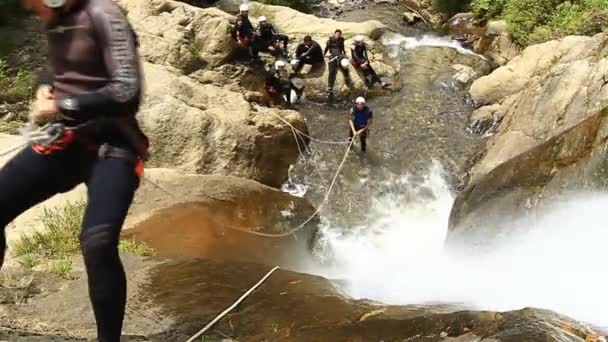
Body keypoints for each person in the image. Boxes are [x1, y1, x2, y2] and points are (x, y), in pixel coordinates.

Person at [1, 1, 150, 341]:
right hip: (62, 144)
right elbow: (59, 69)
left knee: (97, 243)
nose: (32, 9)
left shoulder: (103, 14)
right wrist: (43, 88)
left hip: (111, 148)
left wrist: (62, 105)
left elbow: (128, 91)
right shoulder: (58, 19)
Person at [324, 29, 350, 96]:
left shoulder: (342, 39)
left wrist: (344, 52)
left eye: (339, 34)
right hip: (333, 56)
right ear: (334, 34)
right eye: (336, 34)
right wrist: (324, 54)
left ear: (340, 35)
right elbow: (327, 47)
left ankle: (346, 77)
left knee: (345, 65)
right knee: (332, 71)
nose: (337, 35)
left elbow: (342, 46)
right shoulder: (330, 40)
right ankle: (330, 87)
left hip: (340, 55)